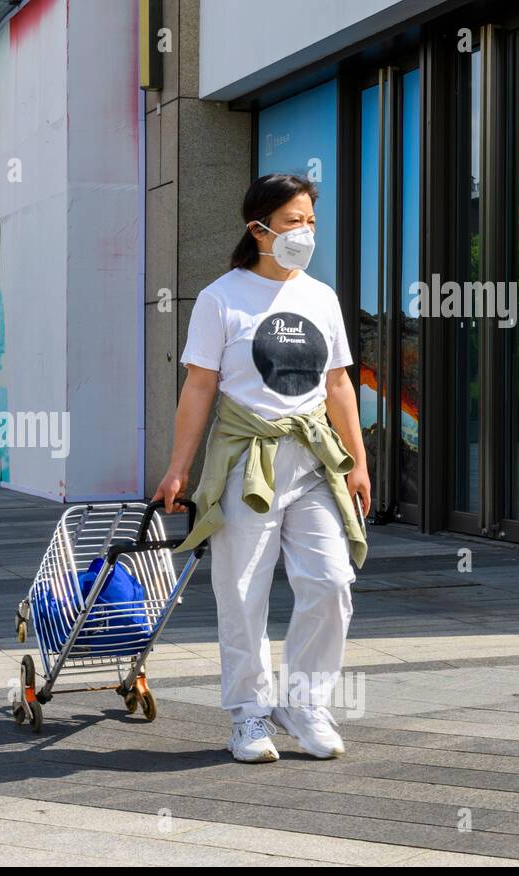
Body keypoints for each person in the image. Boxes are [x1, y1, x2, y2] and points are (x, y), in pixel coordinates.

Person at [153, 173, 370, 764]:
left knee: (330, 582)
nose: (305, 232)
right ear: (259, 228)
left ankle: (302, 703)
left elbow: (338, 383)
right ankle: (248, 715)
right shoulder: (222, 297)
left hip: (313, 460)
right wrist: (178, 469)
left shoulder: (320, 297)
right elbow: (199, 388)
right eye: (294, 220)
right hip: (245, 459)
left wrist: (358, 462)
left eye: (311, 221)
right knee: (242, 591)